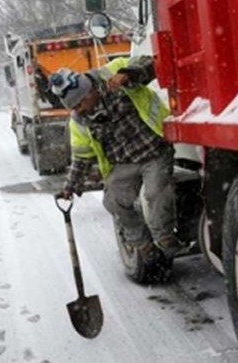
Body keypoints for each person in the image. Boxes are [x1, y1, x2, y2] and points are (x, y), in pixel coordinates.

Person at [51, 56, 183, 269]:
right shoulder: (80, 120)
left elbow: (152, 64)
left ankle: (164, 237)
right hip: (123, 163)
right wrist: (70, 187)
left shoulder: (112, 74)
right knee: (113, 200)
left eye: (79, 104)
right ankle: (142, 243)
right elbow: (82, 158)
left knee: (156, 192)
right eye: (73, 107)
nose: (78, 111)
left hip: (154, 151)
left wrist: (129, 74)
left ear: (89, 91)